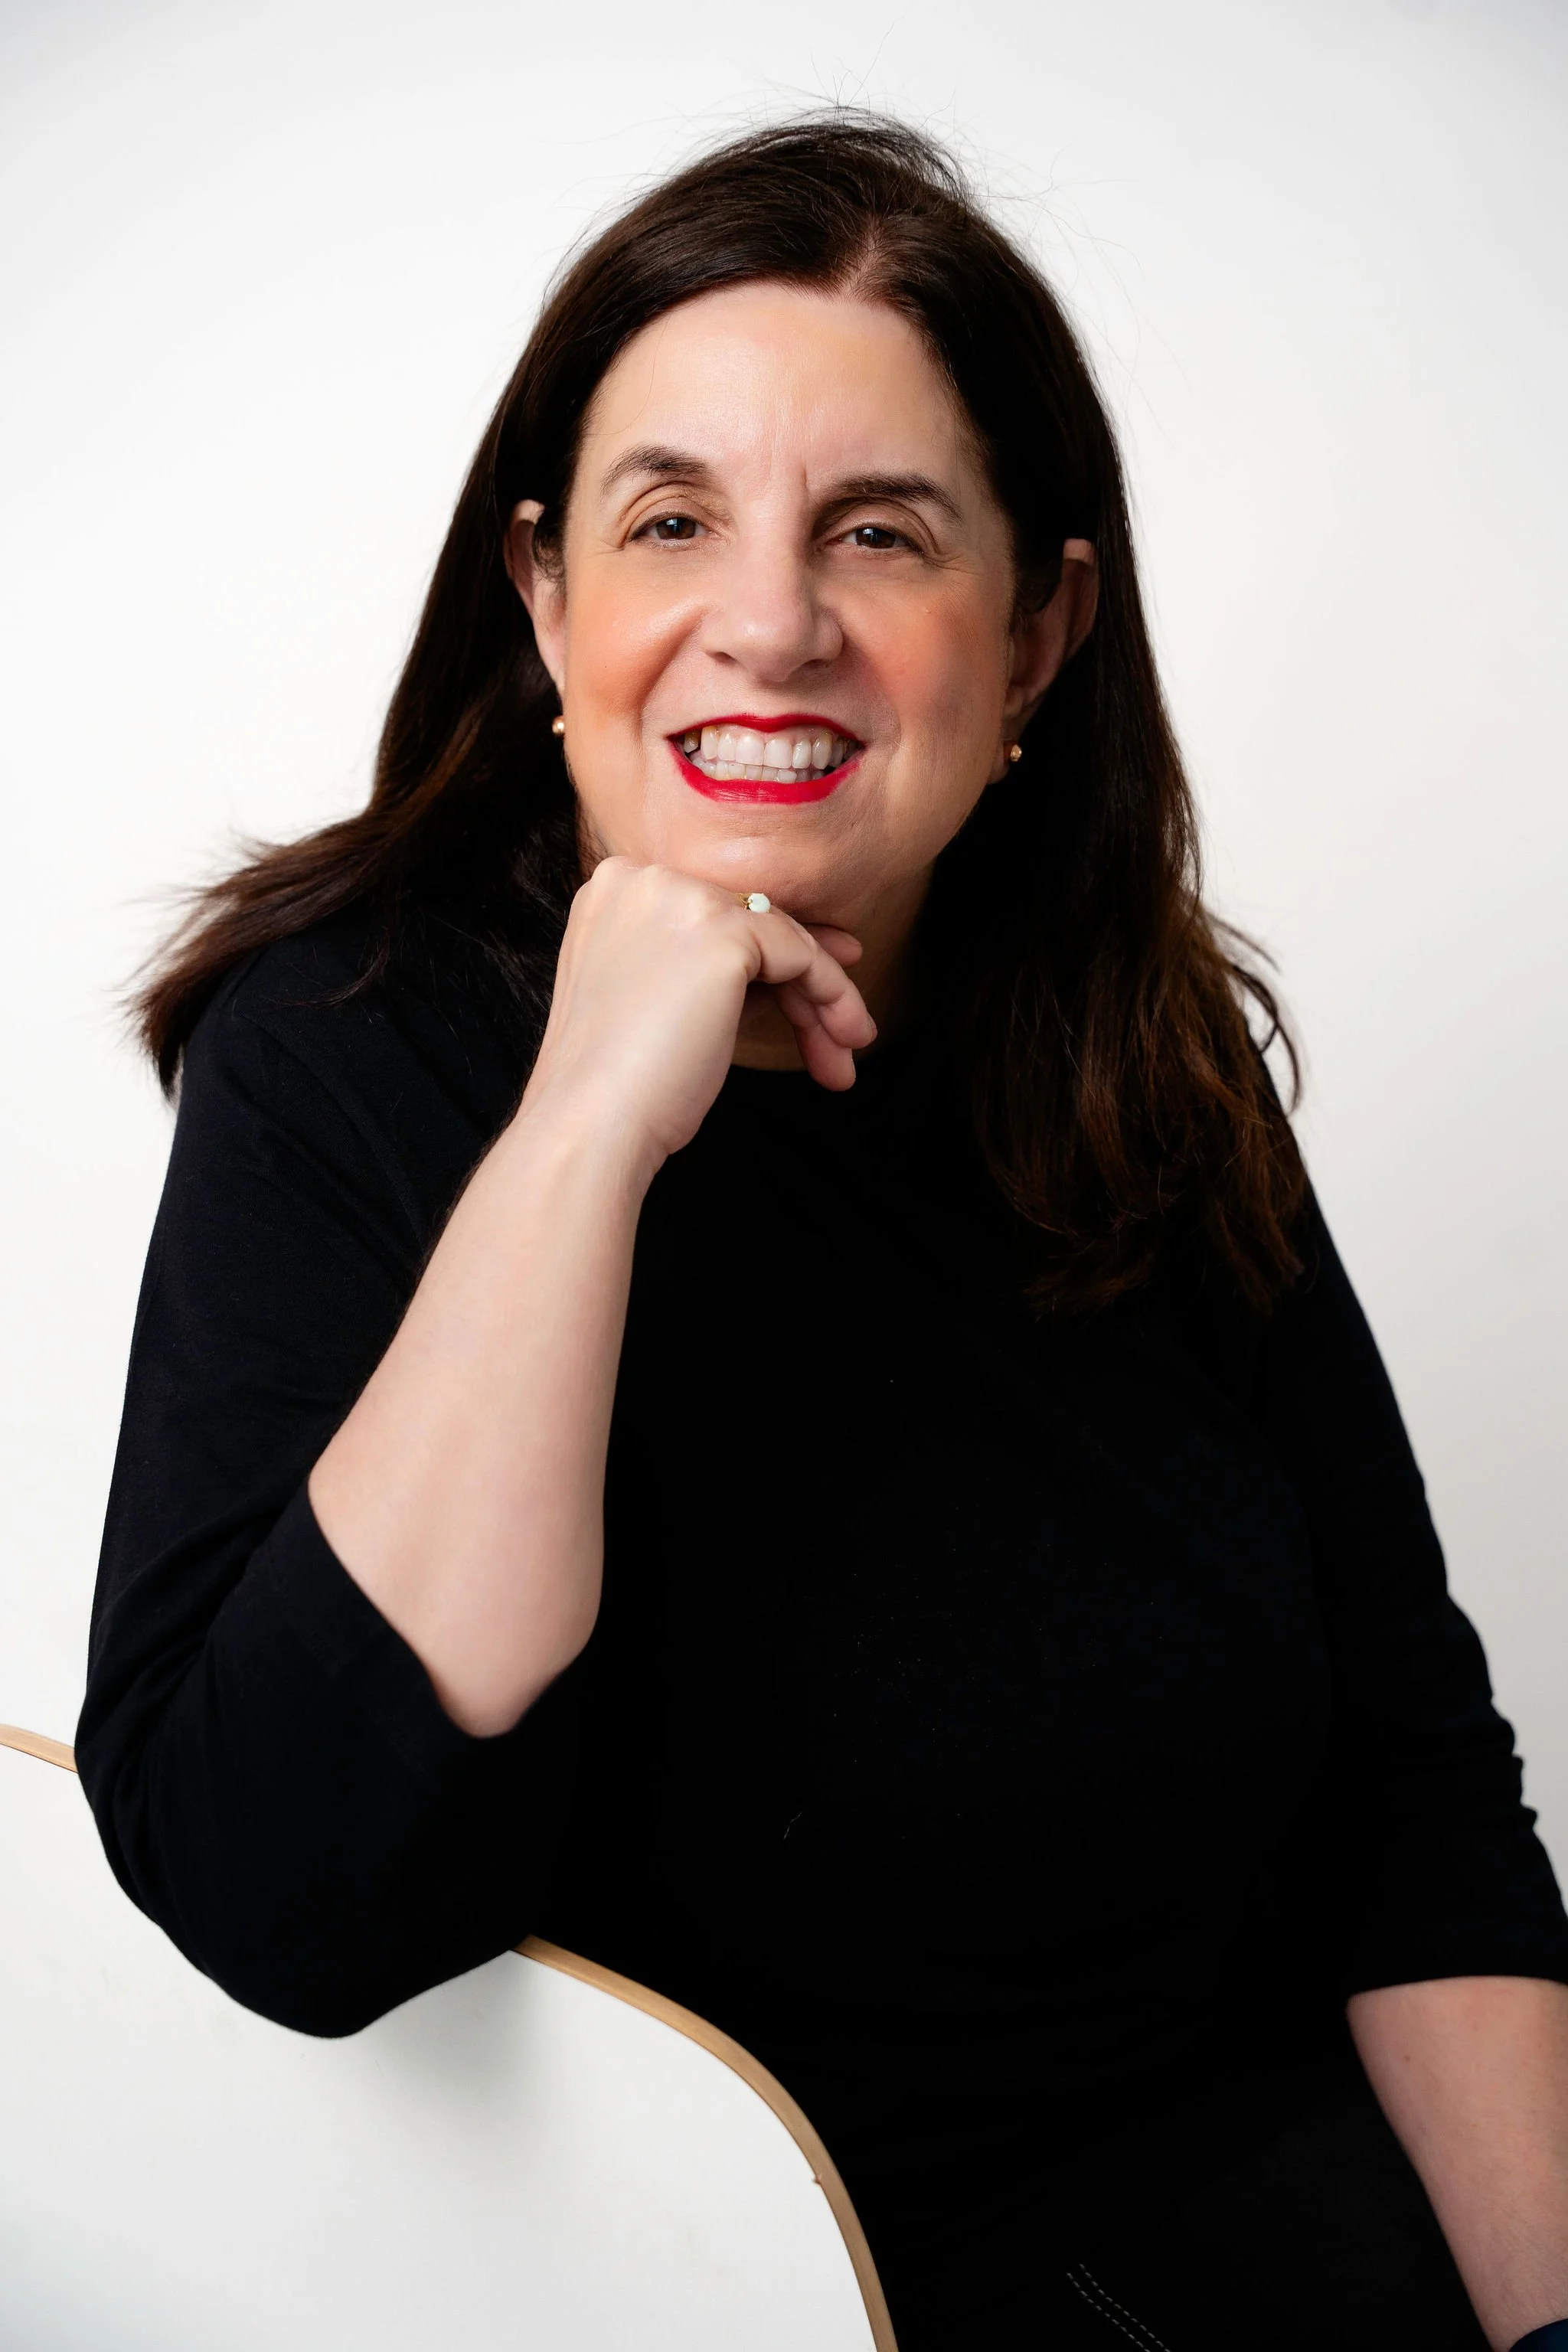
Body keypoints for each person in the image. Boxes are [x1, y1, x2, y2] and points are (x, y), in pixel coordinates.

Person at [77, 114, 1568, 2350]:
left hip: (1296, 2263)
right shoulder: (345, 1053)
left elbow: (1416, 1811)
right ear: (547, 601)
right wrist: (588, 1123)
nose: (769, 623)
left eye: (878, 532)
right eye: (671, 519)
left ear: (1038, 633)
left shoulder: (1147, 1053)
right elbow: (283, 1896)